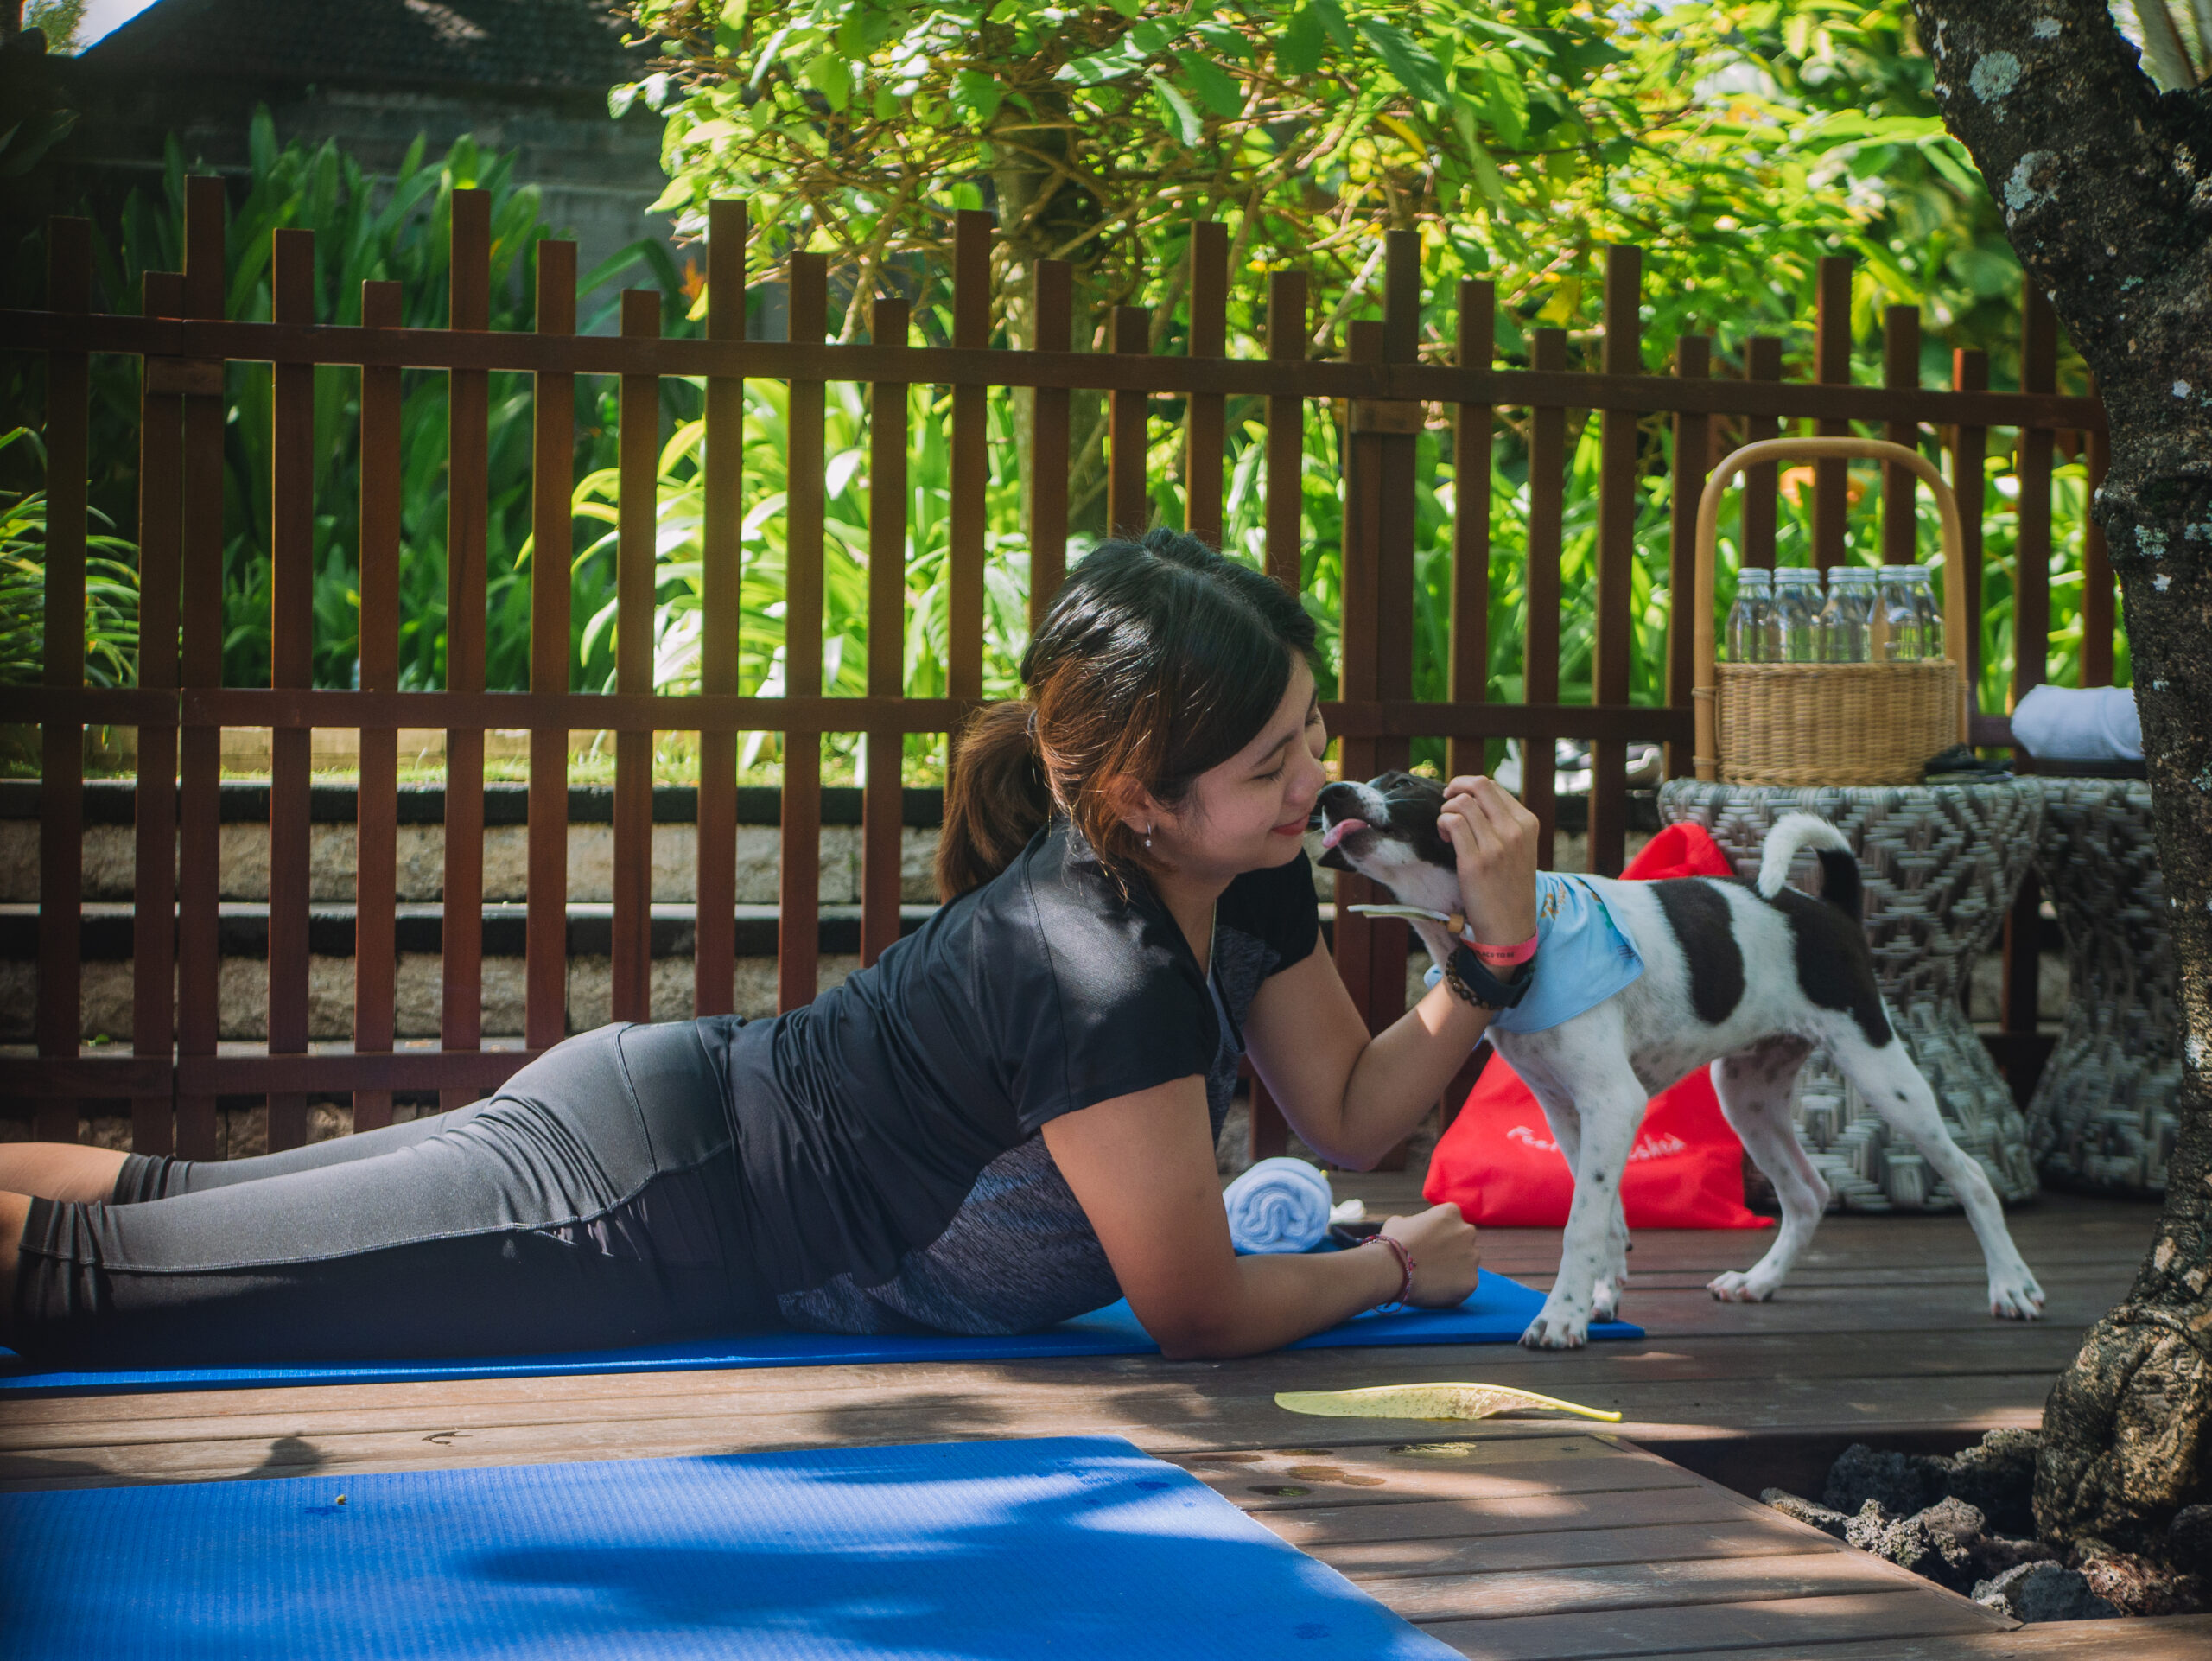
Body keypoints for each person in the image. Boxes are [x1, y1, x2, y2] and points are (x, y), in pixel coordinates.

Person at [1, 531, 1540, 1369]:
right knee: (97, 1279)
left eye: (1311, 728)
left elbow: (1342, 1107)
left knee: (151, 1204)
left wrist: (1488, 954)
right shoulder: (1103, 965)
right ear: (1141, 796)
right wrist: (1385, 1263)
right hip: (636, 1200)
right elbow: (1196, 1312)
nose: (1317, 775)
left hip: (657, 1119)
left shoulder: (1249, 869)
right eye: (1274, 755)